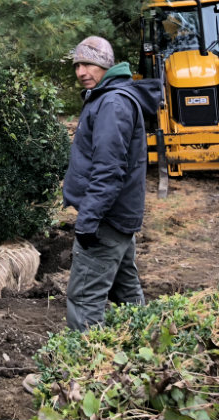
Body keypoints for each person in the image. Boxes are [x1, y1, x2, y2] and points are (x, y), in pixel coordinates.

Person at [62, 35, 161, 331]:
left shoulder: (112, 103)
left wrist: (88, 219)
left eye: (89, 64)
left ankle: (84, 370)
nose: (81, 72)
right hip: (118, 216)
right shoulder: (108, 98)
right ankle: (146, 352)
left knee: (83, 297)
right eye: (78, 64)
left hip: (106, 218)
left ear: (105, 64)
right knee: (126, 293)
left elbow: (109, 169)